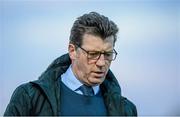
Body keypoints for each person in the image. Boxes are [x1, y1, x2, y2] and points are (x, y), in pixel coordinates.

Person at [4, 12, 137, 116]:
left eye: (107, 54)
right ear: (72, 51)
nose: (101, 62)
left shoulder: (126, 110)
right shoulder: (29, 97)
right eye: (93, 54)